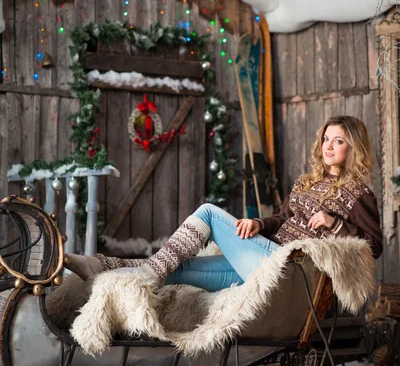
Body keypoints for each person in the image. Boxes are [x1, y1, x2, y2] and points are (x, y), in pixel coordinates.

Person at [65, 115, 382, 290]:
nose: (329, 146)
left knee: (208, 214)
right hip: (262, 257)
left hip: (291, 268)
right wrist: (259, 223)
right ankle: (100, 267)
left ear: (353, 147)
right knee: (179, 268)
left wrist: (334, 223)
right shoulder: (307, 182)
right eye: (326, 138)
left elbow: (373, 247)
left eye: (338, 140)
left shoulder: (360, 195)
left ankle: (135, 274)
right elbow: (282, 219)